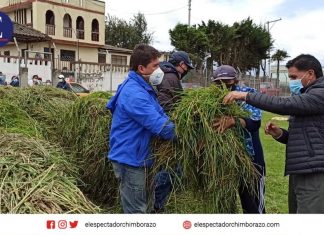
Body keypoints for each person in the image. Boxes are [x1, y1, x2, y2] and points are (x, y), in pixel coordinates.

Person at [223, 54, 324, 213]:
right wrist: (279, 134)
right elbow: (302, 137)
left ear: (310, 74)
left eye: (293, 77)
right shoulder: (306, 97)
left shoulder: (319, 94)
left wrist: (245, 96)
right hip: (301, 170)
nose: (291, 81)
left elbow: (283, 104)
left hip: (315, 173)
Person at [106, 44, 176, 214]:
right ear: (141, 68)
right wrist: (185, 132)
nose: (159, 70)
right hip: (130, 160)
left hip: (141, 156)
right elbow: (162, 127)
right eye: (155, 66)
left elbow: (160, 114)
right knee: (136, 211)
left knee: (147, 204)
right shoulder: (134, 94)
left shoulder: (143, 88)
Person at [211, 65, 265, 214]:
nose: (223, 86)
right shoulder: (211, 99)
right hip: (223, 160)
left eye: (227, 82)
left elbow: (255, 123)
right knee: (224, 204)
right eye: (218, 82)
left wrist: (233, 121)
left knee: (252, 204)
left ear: (235, 80)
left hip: (250, 158)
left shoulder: (248, 94)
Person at [153, 51, 194, 213]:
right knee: (172, 167)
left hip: (161, 127)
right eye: (187, 67)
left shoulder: (163, 73)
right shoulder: (170, 76)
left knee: (167, 166)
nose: (186, 71)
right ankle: (156, 204)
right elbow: (166, 104)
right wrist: (179, 120)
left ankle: (155, 201)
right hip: (166, 128)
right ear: (182, 65)